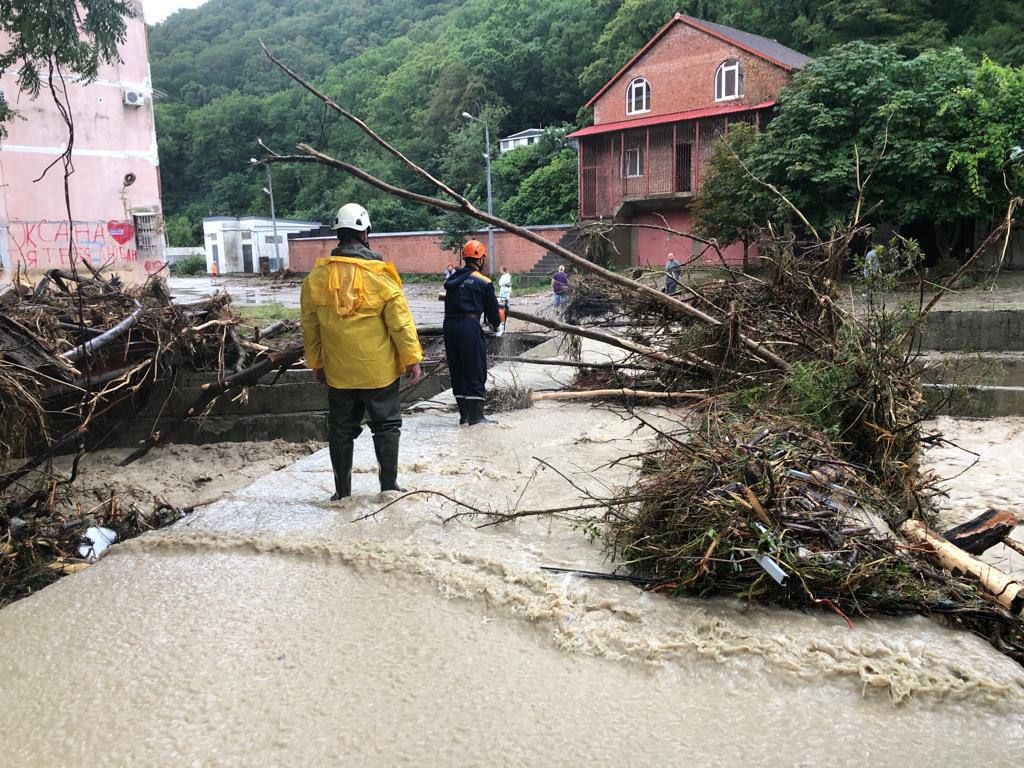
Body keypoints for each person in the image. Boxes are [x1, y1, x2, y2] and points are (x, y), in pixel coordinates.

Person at [300, 202, 423, 500]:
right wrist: (412, 359)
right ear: (366, 233)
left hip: (339, 374)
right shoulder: (381, 276)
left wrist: (317, 363)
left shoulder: (315, 279)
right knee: (387, 426)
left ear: (338, 235)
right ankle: (389, 488)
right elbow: (400, 324)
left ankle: (342, 494)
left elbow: (310, 327)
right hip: (379, 373)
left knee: (341, 430)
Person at [443, 239, 502, 426]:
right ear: (481, 259)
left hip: (449, 326)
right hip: (469, 325)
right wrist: (497, 322)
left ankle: (464, 415)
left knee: (457, 368)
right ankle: (477, 417)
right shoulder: (483, 282)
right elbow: (493, 314)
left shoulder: (452, 280)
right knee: (475, 368)